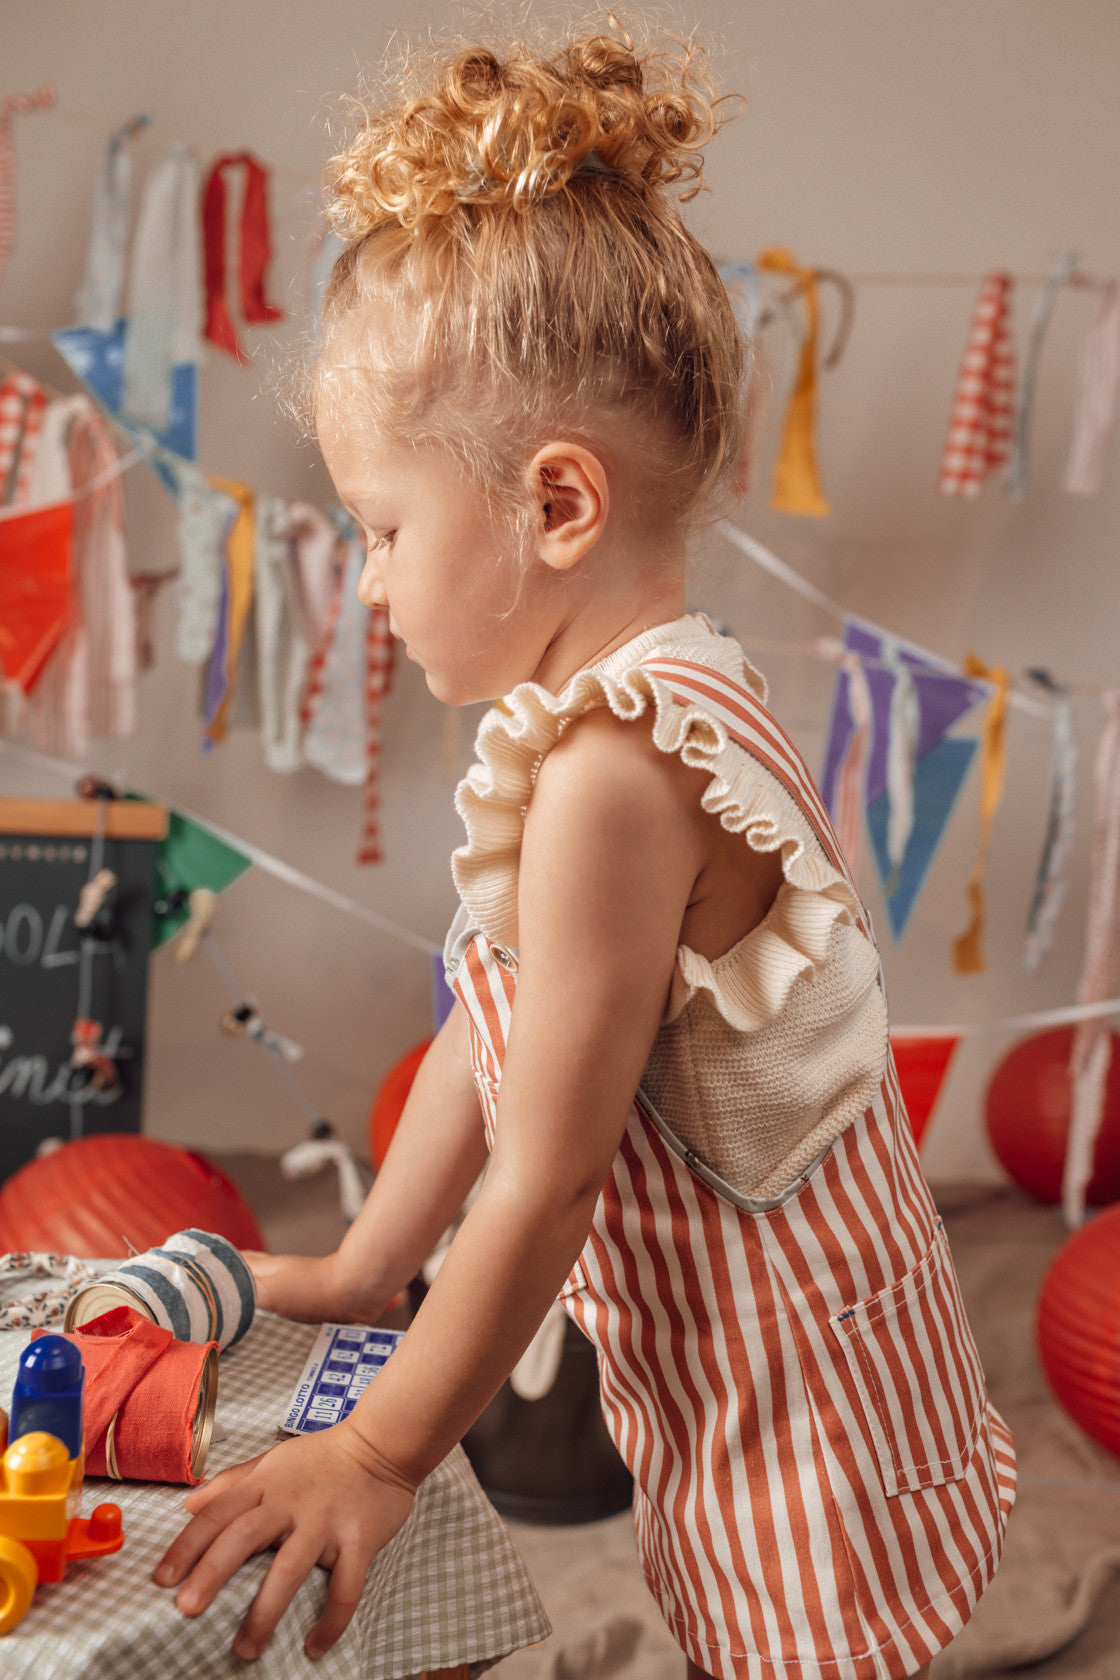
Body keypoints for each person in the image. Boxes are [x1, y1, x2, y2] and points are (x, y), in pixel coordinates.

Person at [155, 19, 1016, 1677]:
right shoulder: (650, 701)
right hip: (775, 1353)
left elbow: (548, 1180)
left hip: (796, 1406)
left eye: (386, 529)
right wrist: (363, 1265)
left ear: (556, 507)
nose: (375, 584)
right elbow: (494, 1039)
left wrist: (381, 1449)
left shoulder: (615, 779)